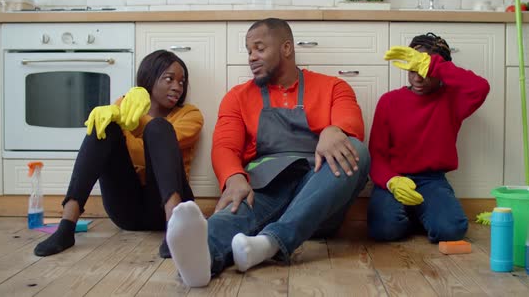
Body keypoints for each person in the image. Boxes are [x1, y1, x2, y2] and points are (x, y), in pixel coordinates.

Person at [166, 18, 370, 287]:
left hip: (318, 191)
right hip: (265, 187)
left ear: (286, 48)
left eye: (259, 48)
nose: (252, 57)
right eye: (249, 51)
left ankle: (271, 241)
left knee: (355, 150)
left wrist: (337, 129)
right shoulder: (237, 96)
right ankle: (200, 260)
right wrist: (233, 178)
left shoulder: (333, 87)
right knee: (235, 211)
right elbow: (225, 146)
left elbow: (351, 124)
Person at [33, 50, 204, 259]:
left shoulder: (190, 114)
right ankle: (66, 226)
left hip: (165, 206)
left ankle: (175, 229)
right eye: (169, 79)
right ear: (149, 80)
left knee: (159, 127)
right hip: (126, 211)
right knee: (103, 125)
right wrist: (118, 114)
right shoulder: (125, 106)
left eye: (181, 82)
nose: (177, 87)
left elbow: (160, 146)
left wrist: (134, 118)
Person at [368, 33, 490, 243]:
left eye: (425, 71)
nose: (418, 78)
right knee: (383, 230)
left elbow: (480, 87)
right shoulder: (389, 101)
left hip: (431, 180)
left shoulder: (452, 100)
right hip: (394, 178)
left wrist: (434, 66)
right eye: (413, 69)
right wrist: (391, 181)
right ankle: (418, 214)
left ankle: (421, 212)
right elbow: (376, 155)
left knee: (451, 231)